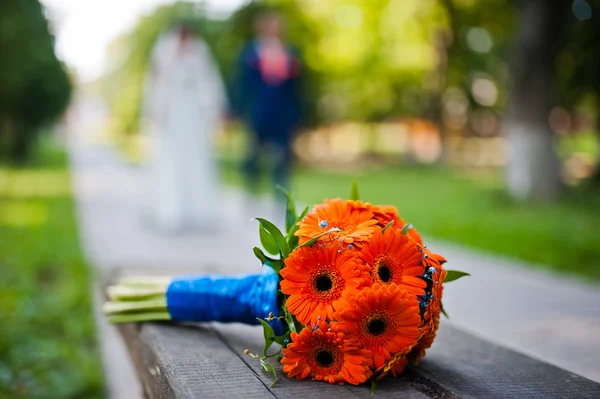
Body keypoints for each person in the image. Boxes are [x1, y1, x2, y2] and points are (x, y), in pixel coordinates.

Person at [142, 23, 226, 233]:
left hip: (194, 115)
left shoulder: (200, 51)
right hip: (171, 115)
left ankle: (198, 210)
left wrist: (213, 110)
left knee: (197, 160)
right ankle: (171, 210)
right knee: (171, 162)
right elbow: (155, 83)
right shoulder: (163, 52)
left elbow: (210, 82)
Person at [233, 11, 303, 195]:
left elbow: (296, 87)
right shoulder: (251, 52)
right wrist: (238, 110)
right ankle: (251, 191)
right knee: (253, 154)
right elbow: (243, 83)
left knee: (282, 156)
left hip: (282, 112)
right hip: (258, 110)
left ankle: (281, 194)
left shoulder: (289, 52)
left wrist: (298, 113)